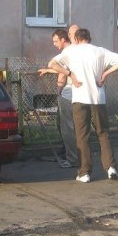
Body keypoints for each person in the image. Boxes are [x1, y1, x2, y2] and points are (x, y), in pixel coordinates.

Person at [47, 28, 118, 183]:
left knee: (82, 136)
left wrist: (70, 74)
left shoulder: (72, 52)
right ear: (89, 38)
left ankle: (84, 173)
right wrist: (105, 73)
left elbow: (52, 64)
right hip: (98, 98)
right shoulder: (100, 51)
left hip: (79, 98)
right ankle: (111, 167)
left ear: (76, 40)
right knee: (103, 133)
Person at [37, 28, 78, 168]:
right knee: (78, 127)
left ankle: (72, 158)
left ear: (63, 39)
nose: (54, 44)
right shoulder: (78, 50)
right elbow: (61, 69)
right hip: (81, 95)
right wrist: (48, 71)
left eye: (55, 41)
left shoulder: (67, 52)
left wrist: (59, 90)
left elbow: (61, 71)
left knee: (67, 128)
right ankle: (78, 156)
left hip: (68, 94)